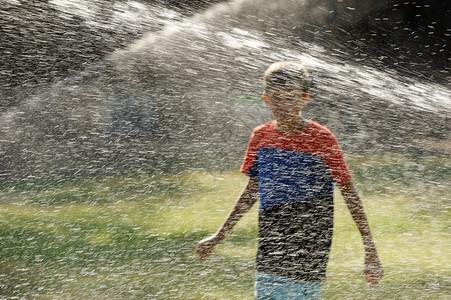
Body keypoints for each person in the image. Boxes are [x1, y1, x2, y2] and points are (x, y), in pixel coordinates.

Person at [196, 61, 383, 299]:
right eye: (276, 97)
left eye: (290, 97)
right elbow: (252, 190)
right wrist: (219, 235)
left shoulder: (321, 138)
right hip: (271, 231)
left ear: (304, 98)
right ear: (265, 99)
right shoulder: (261, 136)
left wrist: (370, 250)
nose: (283, 104)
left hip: (311, 234)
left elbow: (349, 192)